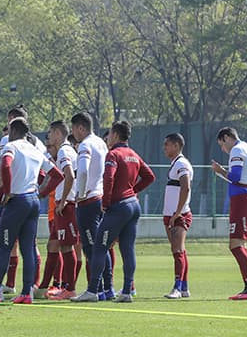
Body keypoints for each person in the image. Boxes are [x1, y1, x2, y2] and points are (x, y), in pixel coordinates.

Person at [0, 118, 62, 304]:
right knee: (28, 248)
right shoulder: (35, 150)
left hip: (16, 202)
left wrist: (6, 191)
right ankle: (26, 293)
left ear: (13, 131)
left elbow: (5, 165)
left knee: (3, 246)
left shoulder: (11, 147)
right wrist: (41, 193)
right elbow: (56, 174)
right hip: (32, 201)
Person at [71, 121, 155, 303]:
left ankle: (93, 290)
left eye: (109, 134)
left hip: (118, 207)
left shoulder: (114, 154)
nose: (107, 138)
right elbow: (150, 176)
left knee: (100, 247)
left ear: (115, 135)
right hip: (133, 206)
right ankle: (126, 291)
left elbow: (108, 178)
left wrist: (106, 203)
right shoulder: (133, 154)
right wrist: (134, 190)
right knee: (127, 249)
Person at [211, 127, 247, 300]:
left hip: (242, 199)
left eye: (222, 145)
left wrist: (220, 171)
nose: (223, 150)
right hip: (244, 197)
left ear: (226, 138)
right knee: (240, 245)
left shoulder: (237, 150)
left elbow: (236, 176)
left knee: (235, 245)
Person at [68, 112, 112, 301]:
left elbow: (83, 170)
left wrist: (81, 193)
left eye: (73, 129)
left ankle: (95, 289)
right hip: (99, 198)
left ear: (80, 128)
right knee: (101, 245)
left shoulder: (85, 144)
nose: (73, 133)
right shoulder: (101, 143)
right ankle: (107, 288)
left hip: (88, 201)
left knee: (91, 246)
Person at [44, 121, 80, 301]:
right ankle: (53, 285)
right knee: (55, 244)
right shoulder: (67, 151)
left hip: (67, 205)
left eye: (50, 133)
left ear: (58, 133)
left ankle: (70, 288)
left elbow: (70, 176)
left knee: (67, 245)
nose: (48, 136)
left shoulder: (65, 151)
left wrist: (64, 200)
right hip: (65, 203)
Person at [162, 133, 193, 299]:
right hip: (170, 215)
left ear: (175, 145)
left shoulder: (181, 163)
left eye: (166, 144)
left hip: (178, 216)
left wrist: (178, 212)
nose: (164, 148)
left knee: (178, 250)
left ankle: (177, 288)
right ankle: (184, 287)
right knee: (179, 251)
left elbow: (185, 186)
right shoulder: (175, 164)